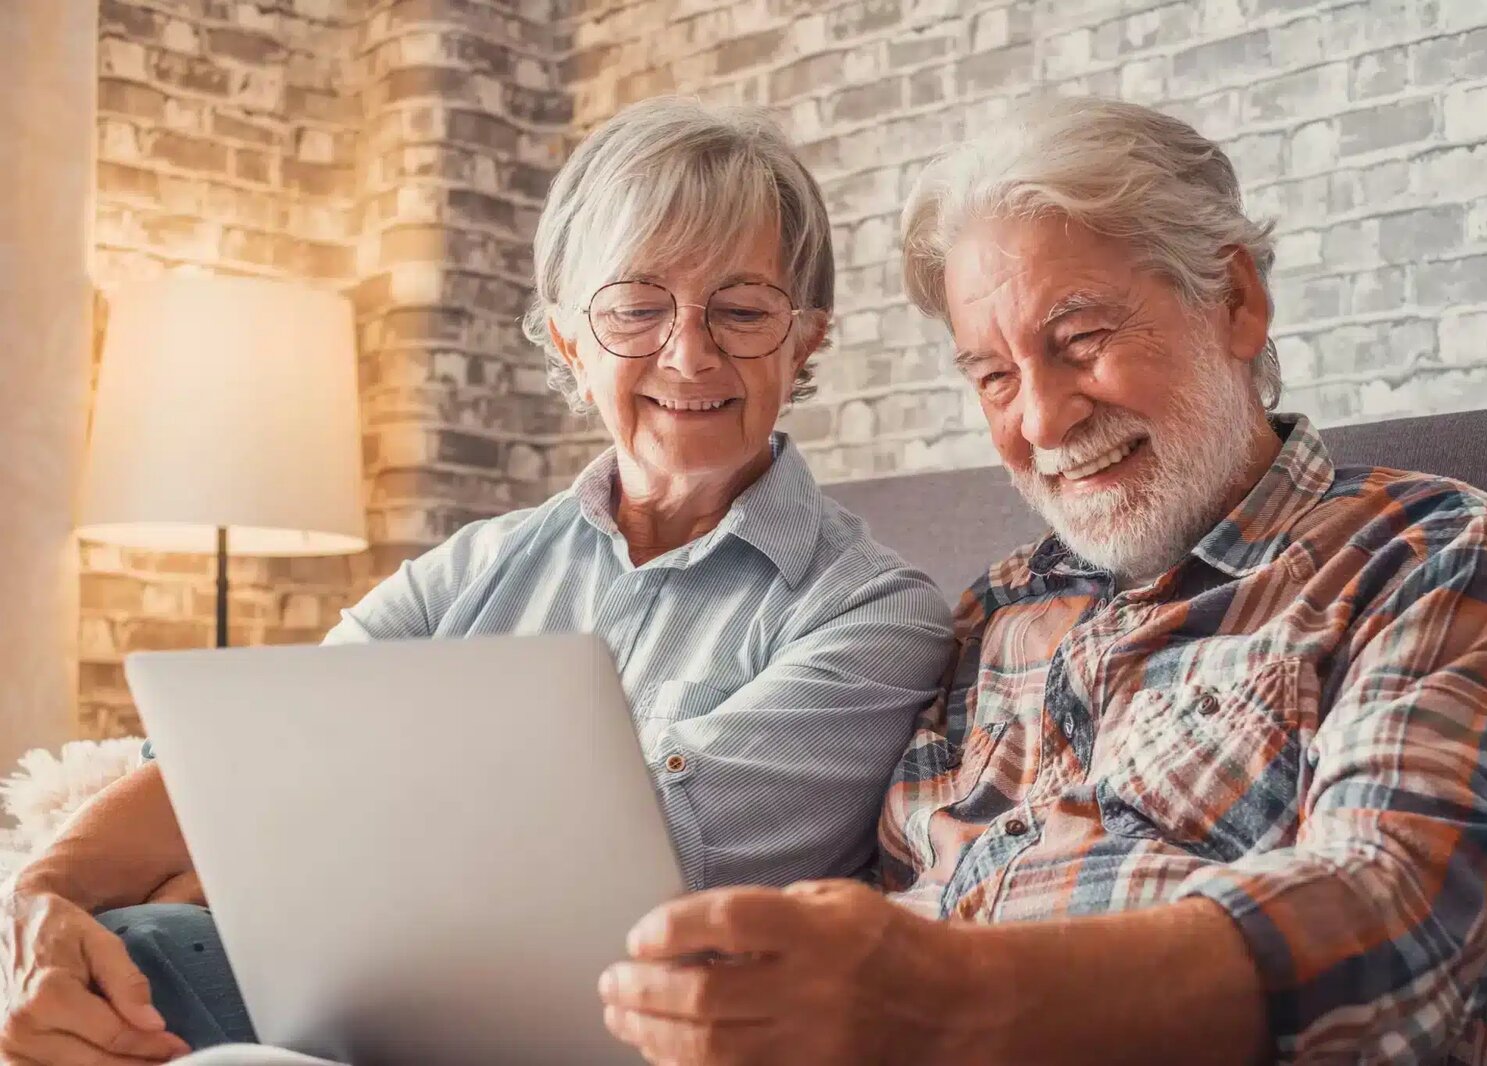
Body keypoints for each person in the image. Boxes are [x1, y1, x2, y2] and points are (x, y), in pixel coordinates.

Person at [597, 97, 1487, 1065]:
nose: (1040, 420)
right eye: (993, 376)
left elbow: (1398, 918)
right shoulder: (993, 614)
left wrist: (947, 998)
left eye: (1080, 341)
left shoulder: (1425, 554)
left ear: (1234, 300)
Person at [0, 98, 953, 1063]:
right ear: (569, 341)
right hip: (354, 1015)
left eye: (742, 311)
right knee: (111, 960)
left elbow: (607, 879)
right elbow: (240, 771)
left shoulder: (875, 614)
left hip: (605, 1042)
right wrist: (41, 896)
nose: (688, 353)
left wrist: (232, 871)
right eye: (635, 309)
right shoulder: (469, 570)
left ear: (806, 340)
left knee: (153, 949)